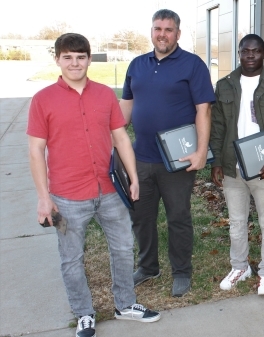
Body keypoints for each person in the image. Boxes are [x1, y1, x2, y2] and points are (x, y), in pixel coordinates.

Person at [27, 33, 160, 337]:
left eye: (81, 56)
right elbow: (36, 150)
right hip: (68, 195)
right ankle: (83, 313)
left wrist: (134, 178)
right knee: (72, 258)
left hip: (109, 190)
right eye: (68, 57)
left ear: (89, 58)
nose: (75, 63)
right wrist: (43, 198)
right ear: (58, 60)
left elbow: (121, 138)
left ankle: (125, 304)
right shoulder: (43, 99)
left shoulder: (103, 95)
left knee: (124, 248)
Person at [119, 9, 215, 297]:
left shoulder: (193, 65)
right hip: (141, 158)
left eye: (168, 29)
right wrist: (114, 138)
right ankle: (148, 266)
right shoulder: (137, 64)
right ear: (151, 31)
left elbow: (204, 110)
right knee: (141, 216)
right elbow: (126, 105)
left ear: (178, 33)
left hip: (178, 160)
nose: (162, 34)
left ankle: (182, 271)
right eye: (157, 28)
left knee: (178, 216)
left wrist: (200, 151)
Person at [210, 34, 264, 295]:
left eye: (256, 51)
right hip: (232, 167)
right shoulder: (225, 85)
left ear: (263, 53)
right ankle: (240, 266)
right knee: (237, 222)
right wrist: (216, 161)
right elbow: (218, 126)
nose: (250, 55)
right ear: (239, 53)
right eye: (245, 51)